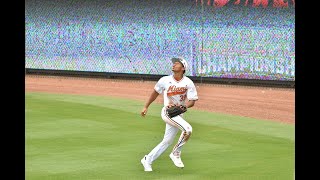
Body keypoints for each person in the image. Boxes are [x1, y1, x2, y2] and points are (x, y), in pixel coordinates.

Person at [140, 57, 199, 172]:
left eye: (176, 63)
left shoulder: (188, 83)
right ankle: (175, 153)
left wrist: (184, 106)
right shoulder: (164, 80)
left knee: (166, 141)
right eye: (173, 63)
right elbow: (155, 94)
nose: (173, 65)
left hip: (178, 114)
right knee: (188, 130)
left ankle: (147, 159)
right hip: (167, 112)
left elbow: (192, 101)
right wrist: (146, 106)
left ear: (183, 68)